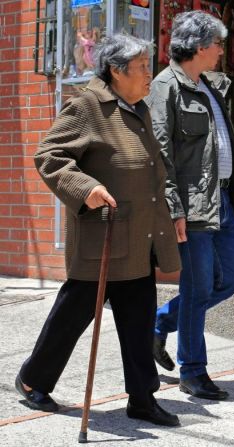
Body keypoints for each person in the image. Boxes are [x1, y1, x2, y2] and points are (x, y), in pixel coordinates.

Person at [15, 34, 182, 427]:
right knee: (72, 316)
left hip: (139, 237)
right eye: (142, 67)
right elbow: (49, 156)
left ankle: (142, 398)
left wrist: (170, 214)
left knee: (138, 321)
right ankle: (33, 379)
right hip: (103, 238)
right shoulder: (87, 106)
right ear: (116, 70)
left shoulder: (138, 109)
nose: (148, 74)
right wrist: (86, 187)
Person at [146, 11, 234, 400]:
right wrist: (174, 208)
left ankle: (159, 323)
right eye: (219, 44)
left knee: (230, 281)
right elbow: (160, 154)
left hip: (223, 198)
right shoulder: (166, 87)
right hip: (192, 205)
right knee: (196, 288)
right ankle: (194, 370)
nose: (223, 51)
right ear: (199, 46)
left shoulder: (210, 84)